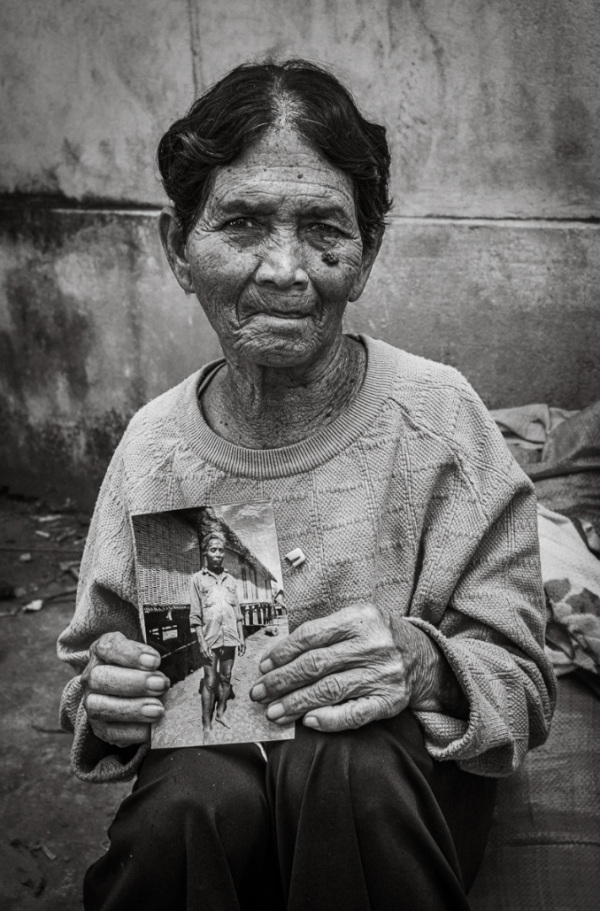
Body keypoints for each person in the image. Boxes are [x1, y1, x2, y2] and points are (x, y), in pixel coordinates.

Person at [57, 59, 556, 911]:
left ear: (365, 255)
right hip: (222, 807)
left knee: (345, 763)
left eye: (324, 227)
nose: (286, 269)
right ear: (178, 249)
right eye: (242, 223)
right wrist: (106, 696)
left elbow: (522, 680)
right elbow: (94, 673)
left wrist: (421, 663)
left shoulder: (437, 418)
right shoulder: (155, 449)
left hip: (395, 813)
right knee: (190, 797)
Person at [189, 532, 246, 737]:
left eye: (221, 550)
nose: (218, 554)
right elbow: (195, 616)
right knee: (210, 681)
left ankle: (220, 712)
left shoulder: (231, 580)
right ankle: (207, 726)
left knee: (226, 676)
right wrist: (201, 641)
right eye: (213, 550)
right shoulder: (197, 580)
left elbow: (237, 612)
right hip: (210, 638)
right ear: (206, 553)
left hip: (230, 637)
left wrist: (242, 636)